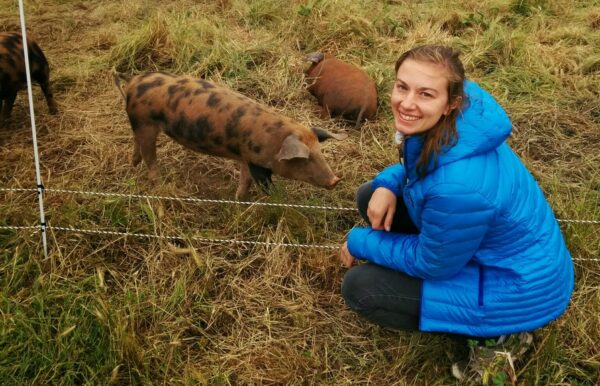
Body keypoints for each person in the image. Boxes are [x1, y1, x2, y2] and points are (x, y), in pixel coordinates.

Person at [338, 45, 574, 379]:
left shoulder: (458, 188)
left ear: (451, 102)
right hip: (498, 250)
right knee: (370, 196)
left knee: (362, 288)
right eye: (402, 87)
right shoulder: (460, 120)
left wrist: (361, 242)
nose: (406, 103)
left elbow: (432, 263)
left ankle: (504, 338)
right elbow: (421, 168)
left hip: (516, 287)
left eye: (425, 94)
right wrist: (387, 184)